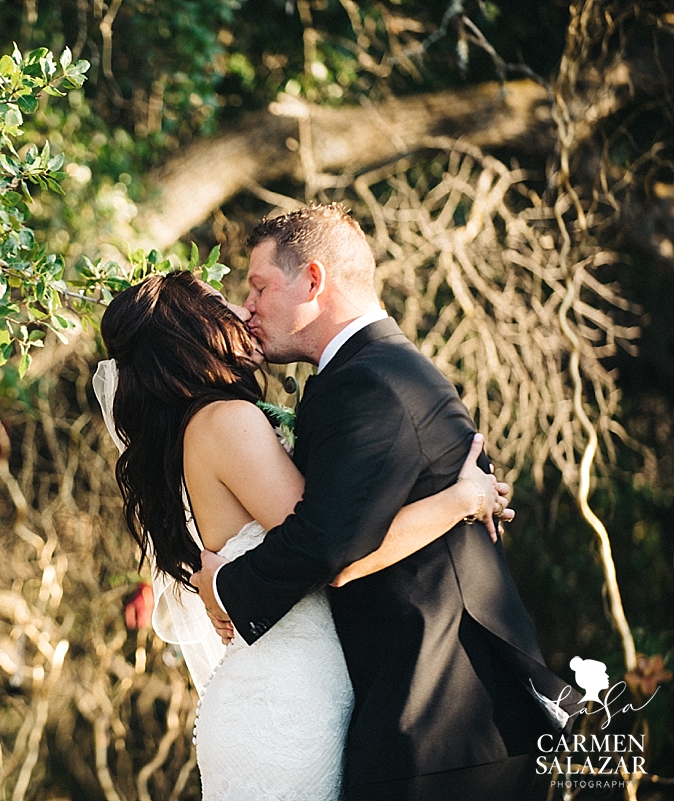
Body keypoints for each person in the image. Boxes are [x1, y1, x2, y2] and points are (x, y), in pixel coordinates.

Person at [189, 204, 580, 800]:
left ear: (313, 282)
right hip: (424, 711)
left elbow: (330, 545)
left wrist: (226, 589)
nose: (249, 307)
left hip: (448, 713)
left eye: (260, 286)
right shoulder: (365, 373)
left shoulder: (372, 381)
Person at [96, 269, 511, 800]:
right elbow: (334, 546)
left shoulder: (198, 427)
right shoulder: (227, 421)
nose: (243, 313)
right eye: (223, 304)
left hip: (284, 694)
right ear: (192, 330)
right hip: (285, 706)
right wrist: (462, 500)